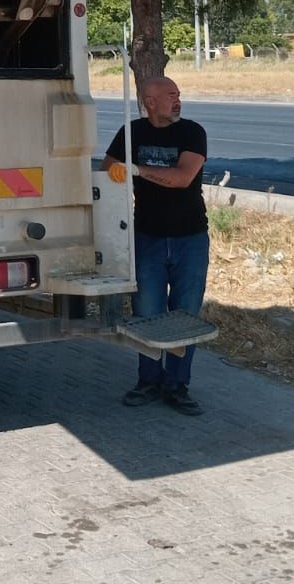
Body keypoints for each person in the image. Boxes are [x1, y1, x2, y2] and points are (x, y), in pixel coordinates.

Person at [103, 75, 209, 414]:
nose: (177, 100)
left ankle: (177, 386)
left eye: (178, 94)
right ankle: (148, 380)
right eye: (170, 95)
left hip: (189, 239)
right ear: (150, 101)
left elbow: (182, 178)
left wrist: (135, 169)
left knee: (184, 315)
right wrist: (117, 172)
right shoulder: (131, 133)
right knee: (147, 314)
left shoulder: (192, 132)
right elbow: (109, 170)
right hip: (146, 237)